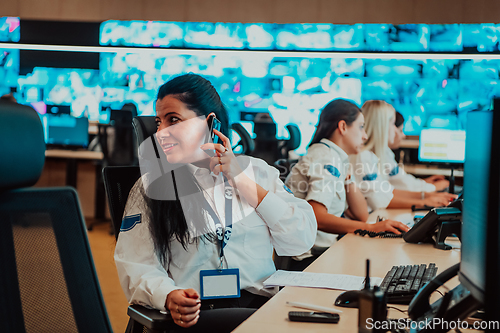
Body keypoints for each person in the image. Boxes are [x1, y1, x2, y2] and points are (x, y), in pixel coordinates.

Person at [114, 74, 317, 332]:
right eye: (158, 123)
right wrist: (167, 296)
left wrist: (241, 181)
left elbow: (301, 240)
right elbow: (136, 263)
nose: (161, 133)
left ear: (210, 123)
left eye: (173, 120)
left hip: (258, 312)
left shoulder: (258, 172)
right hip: (195, 315)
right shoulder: (150, 186)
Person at [285, 99, 409, 271]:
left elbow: (361, 214)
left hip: (325, 251)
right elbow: (317, 216)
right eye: (360, 127)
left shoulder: (337, 159)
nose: (365, 136)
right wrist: (371, 228)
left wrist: (348, 177)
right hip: (310, 260)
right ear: (343, 127)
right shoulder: (325, 158)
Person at [349, 100, 456, 212]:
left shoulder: (372, 156)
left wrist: (427, 196)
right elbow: (379, 200)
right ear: (382, 126)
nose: (395, 130)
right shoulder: (363, 157)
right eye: (392, 124)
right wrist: (424, 200)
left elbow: (388, 192)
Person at [388, 111, 449, 192]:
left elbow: (401, 181)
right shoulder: (379, 157)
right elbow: (399, 187)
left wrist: (424, 183)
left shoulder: (387, 154)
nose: (403, 135)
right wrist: (432, 188)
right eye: (400, 130)